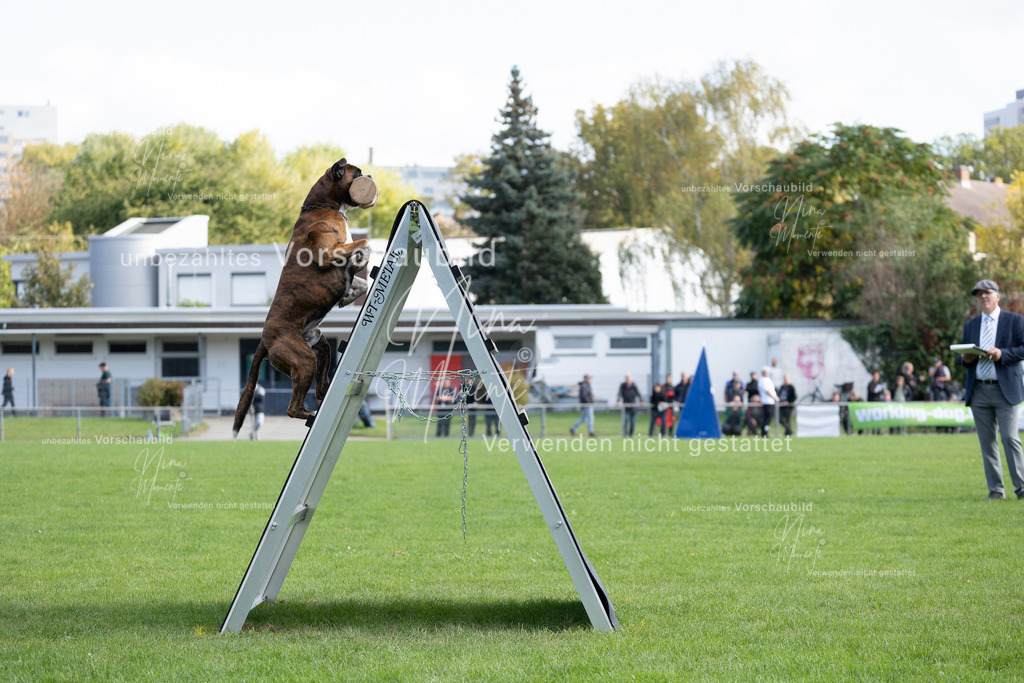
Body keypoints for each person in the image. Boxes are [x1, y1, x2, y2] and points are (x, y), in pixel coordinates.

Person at [959, 279, 1024, 500]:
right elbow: (965, 358)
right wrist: (965, 359)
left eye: (987, 293)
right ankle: (996, 490)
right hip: (979, 391)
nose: (983, 297)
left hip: (1005, 389)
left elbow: (1022, 348)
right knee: (987, 443)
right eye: (979, 294)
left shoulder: (1015, 321)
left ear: (998, 296)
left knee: (1009, 439)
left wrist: (1002, 354)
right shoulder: (970, 325)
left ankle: (1022, 488)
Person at [757, 366, 779, 437]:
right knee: (767, 418)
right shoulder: (763, 380)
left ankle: (765, 431)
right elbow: (767, 391)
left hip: (770, 401)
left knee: (768, 418)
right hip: (767, 401)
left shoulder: (767, 379)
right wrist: (774, 397)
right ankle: (764, 431)